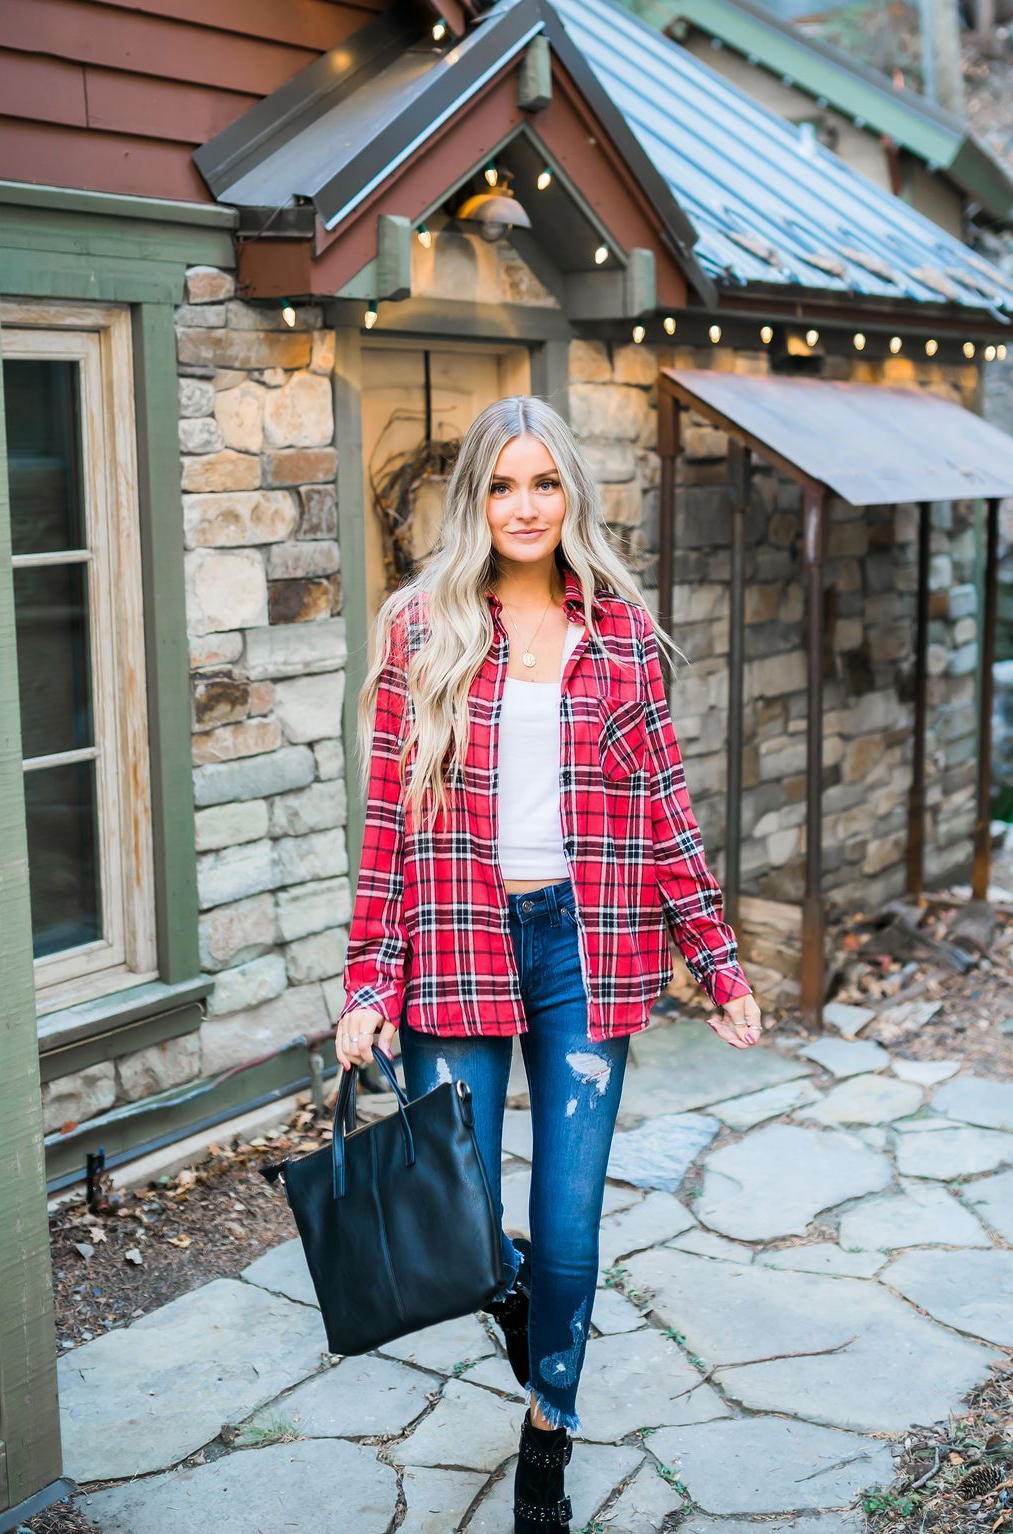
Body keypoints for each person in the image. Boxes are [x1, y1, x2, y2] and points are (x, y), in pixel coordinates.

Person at [336, 395, 760, 1534]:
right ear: (475, 498)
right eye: (502, 485)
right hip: (454, 939)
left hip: (584, 945)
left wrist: (715, 961)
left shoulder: (618, 629)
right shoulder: (418, 625)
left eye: (545, 483)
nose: (525, 506)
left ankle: (549, 1428)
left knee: (568, 1224)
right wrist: (369, 979)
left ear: (571, 493)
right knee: (455, 1220)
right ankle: (526, 1303)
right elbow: (386, 811)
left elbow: (665, 806)